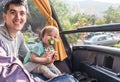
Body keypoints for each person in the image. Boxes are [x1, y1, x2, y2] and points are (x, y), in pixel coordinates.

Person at [0, 0, 79, 82]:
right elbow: (6, 75)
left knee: (62, 75)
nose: (18, 17)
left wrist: (45, 59)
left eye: (22, 13)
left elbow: (28, 56)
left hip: (23, 72)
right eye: (13, 12)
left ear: (26, 17)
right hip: (15, 77)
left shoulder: (19, 36)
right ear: (4, 16)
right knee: (68, 79)